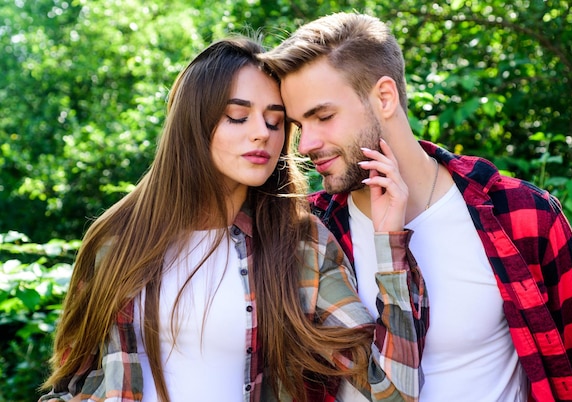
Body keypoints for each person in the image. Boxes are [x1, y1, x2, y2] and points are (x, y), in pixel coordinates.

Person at [37, 37, 425, 402]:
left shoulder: (301, 243)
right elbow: (74, 382)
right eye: (238, 117)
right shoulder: (117, 239)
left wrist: (390, 244)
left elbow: (390, 390)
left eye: (275, 122)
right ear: (194, 123)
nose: (262, 134)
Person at [260, 11, 572, 401]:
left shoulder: (525, 217)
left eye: (323, 116)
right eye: (299, 125)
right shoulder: (308, 231)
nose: (305, 144)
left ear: (385, 98)